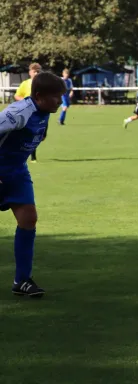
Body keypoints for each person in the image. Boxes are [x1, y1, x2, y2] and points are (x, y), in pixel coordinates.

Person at [0, 72, 66, 297]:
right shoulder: (17, 113)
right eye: (56, 97)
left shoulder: (44, 110)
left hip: (17, 172)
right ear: (39, 96)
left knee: (28, 219)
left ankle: (22, 281)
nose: (60, 101)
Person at [15, 63, 42, 163]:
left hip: (39, 112)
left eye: (38, 71)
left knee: (39, 136)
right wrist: (26, 101)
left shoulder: (42, 85)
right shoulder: (25, 84)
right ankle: (32, 157)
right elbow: (17, 96)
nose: (36, 73)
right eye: (34, 71)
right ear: (30, 72)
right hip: (27, 112)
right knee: (30, 134)